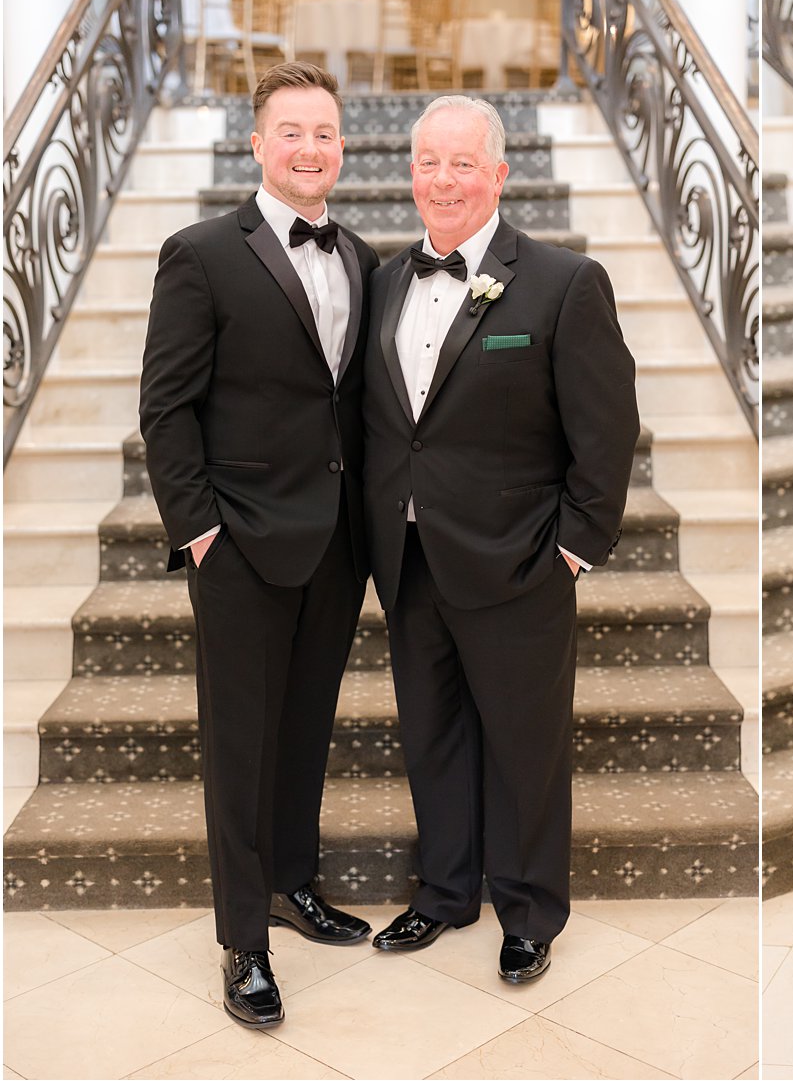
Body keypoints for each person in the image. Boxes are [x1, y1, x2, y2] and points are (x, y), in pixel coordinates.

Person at [361, 96, 639, 983]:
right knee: (432, 733)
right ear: (411, 174)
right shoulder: (385, 281)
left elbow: (606, 430)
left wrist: (572, 545)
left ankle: (528, 909)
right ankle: (445, 892)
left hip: (521, 559)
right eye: (428, 163)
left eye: (462, 163)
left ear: (498, 175)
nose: (442, 180)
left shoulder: (564, 281)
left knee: (525, 744)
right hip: (409, 558)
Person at [139, 62, 379, 1028]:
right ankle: (244, 937)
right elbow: (165, 407)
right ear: (257, 144)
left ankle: (292, 879)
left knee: (306, 728)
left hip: (335, 541)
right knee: (241, 744)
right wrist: (200, 531)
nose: (310, 147)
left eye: (325, 131)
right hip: (237, 543)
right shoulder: (199, 252)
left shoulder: (361, 254)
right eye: (292, 131)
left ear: (341, 146)